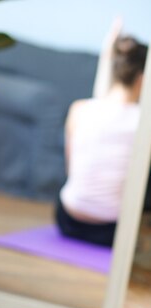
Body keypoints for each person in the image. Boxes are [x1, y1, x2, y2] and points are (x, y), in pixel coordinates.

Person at [56, 20, 148, 247]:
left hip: (68, 219)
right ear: (143, 80)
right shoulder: (143, 123)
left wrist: (109, 50)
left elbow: (71, 169)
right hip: (111, 231)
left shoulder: (80, 109)